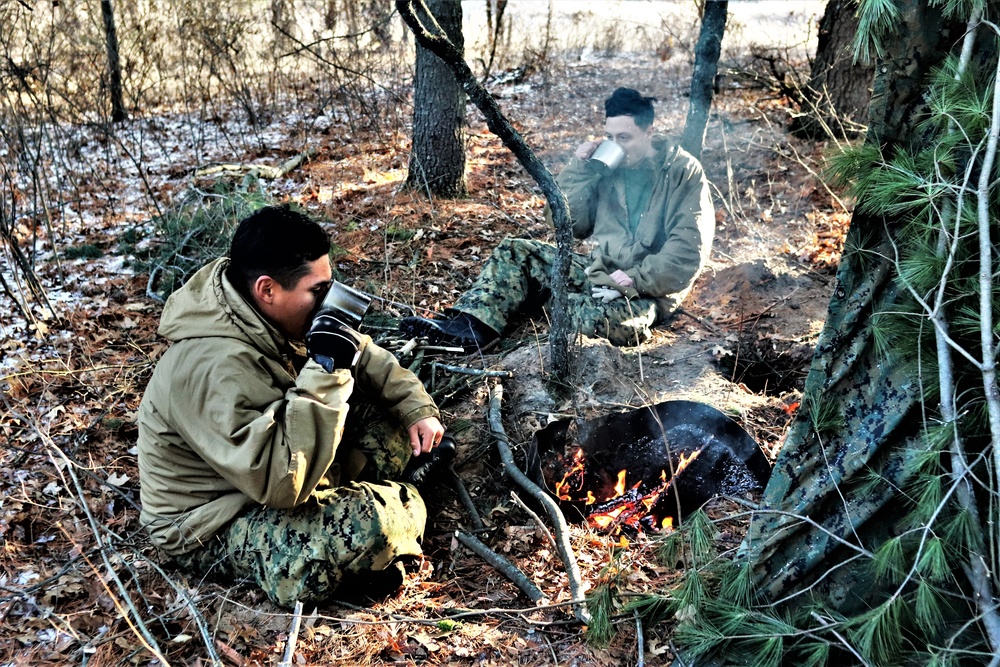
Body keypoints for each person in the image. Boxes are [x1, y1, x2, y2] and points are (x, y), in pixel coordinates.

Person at [137, 205, 447, 608]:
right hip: (212, 521)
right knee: (369, 520)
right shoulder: (214, 365)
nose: (327, 301)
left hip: (272, 469)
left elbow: (363, 353)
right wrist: (325, 370)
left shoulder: (260, 311)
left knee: (388, 421)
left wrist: (415, 408)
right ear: (267, 290)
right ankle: (407, 497)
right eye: (318, 291)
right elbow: (282, 484)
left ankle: (391, 510)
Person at [401, 87, 715, 349]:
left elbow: (685, 257)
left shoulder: (681, 172)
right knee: (515, 251)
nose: (615, 146)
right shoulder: (606, 167)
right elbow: (568, 224)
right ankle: (470, 328)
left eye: (625, 138)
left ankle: (533, 298)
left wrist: (630, 280)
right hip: (601, 272)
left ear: (649, 132)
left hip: (649, 290)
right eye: (609, 137)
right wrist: (581, 169)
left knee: (607, 322)